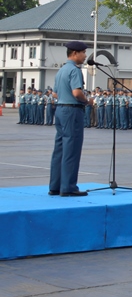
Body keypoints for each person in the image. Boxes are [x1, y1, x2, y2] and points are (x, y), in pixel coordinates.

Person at [49, 41, 90, 197]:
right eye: (83, 52)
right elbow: (77, 93)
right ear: (75, 53)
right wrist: (87, 101)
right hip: (72, 111)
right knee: (71, 149)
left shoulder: (61, 70)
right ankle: (68, 187)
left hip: (60, 109)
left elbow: (54, 93)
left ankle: (55, 186)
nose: (85, 56)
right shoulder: (75, 71)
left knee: (59, 148)